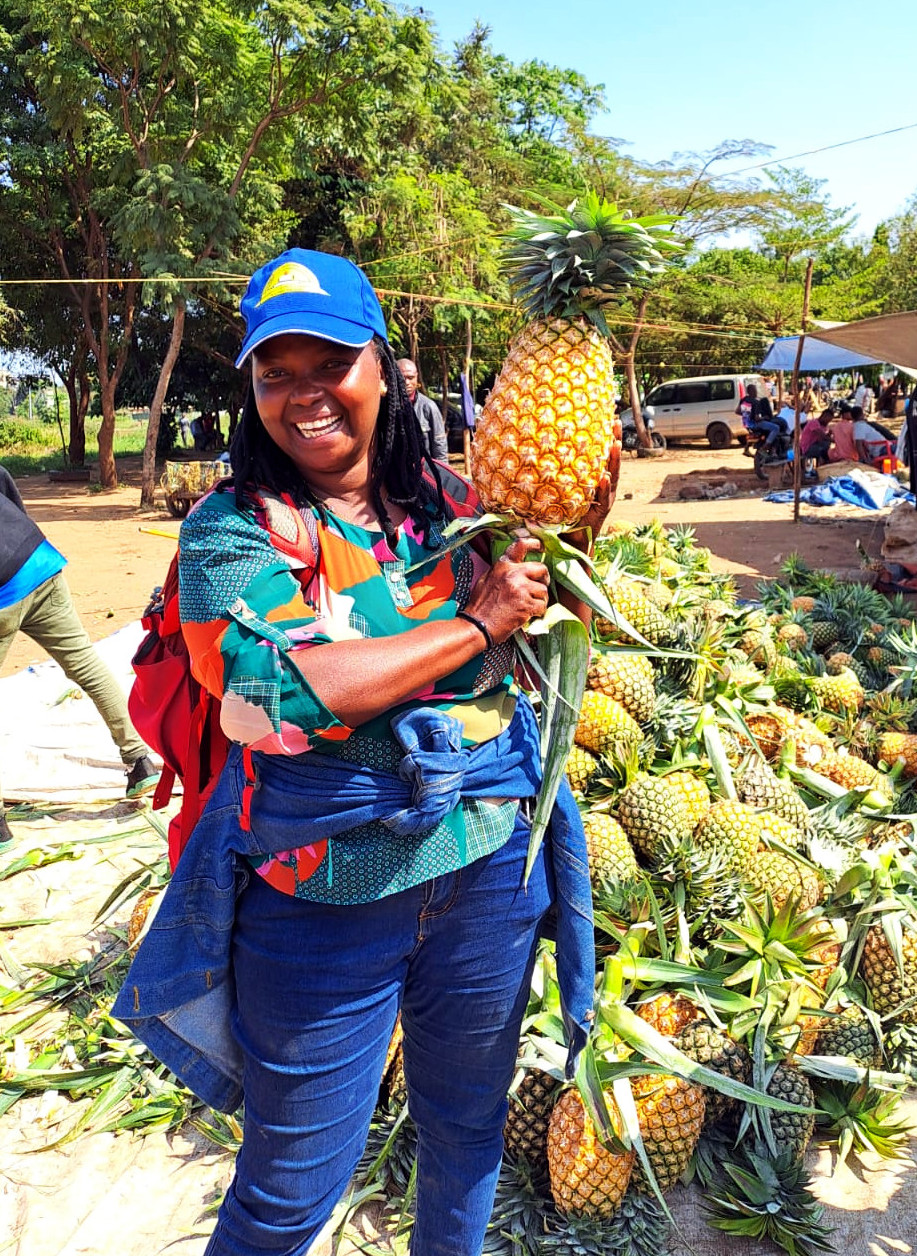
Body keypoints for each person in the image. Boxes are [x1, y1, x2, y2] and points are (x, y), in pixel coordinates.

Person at [113, 247, 609, 1256]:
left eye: (328, 362)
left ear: (386, 369)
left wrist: (569, 533)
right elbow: (275, 698)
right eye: (273, 372)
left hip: (483, 881)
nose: (303, 395)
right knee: (290, 1191)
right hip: (318, 906)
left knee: (464, 1134)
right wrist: (472, 624)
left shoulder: (450, 503)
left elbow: (536, 625)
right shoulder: (232, 530)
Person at [0, 466, 158, 849]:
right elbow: (9, 489)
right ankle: (139, 759)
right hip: (38, 561)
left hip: (4, 587)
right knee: (85, 663)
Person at [396, 357, 449, 461]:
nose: (406, 382)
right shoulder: (384, 408)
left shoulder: (429, 407)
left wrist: (441, 475)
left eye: (410, 378)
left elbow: (440, 447)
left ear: (417, 378)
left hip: (423, 472)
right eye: (402, 378)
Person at [736, 383, 787, 448]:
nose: (756, 393)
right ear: (751, 392)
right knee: (776, 428)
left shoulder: (743, 400)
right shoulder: (755, 402)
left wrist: (746, 415)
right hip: (755, 424)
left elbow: (737, 411)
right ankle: (766, 445)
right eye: (755, 391)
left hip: (746, 424)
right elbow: (757, 419)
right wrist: (764, 417)